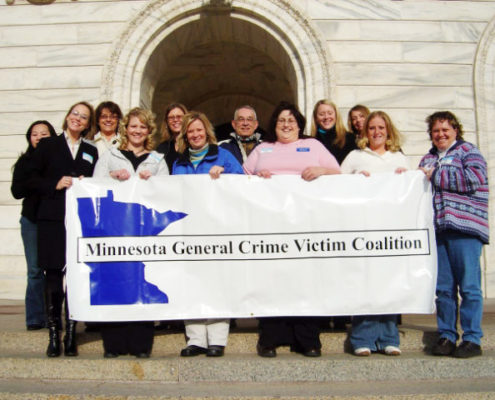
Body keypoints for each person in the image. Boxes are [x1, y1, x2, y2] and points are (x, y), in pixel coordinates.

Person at [243, 101, 341, 358]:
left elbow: (338, 173)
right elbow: (240, 180)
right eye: (280, 121)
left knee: (306, 282)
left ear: (299, 125)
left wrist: (322, 170)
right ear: (274, 126)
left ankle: (307, 339)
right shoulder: (262, 149)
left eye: (291, 121)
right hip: (270, 229)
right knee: (271, 282)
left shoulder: (314, 146)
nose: (286, 125)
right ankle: (270, 338)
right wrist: (256, 178)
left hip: (306, 228)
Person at [94, 107, 168, 358]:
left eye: (143, 127)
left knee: (142, 283)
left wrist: (154, 183)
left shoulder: (157, 159)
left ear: (149, 131)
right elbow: (94, 186)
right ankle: (113, 344)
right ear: (126, 128)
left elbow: (168, 193)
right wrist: (112, 176)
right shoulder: (111, 155)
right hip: (116, 231)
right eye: (133, 126)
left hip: (145, 232)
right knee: (116, 284)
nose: (138, 131)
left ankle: (140, 344)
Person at [29, 101, 98, 357]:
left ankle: (71, 333)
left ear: (88, 124)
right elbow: (31, 179)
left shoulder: (91, 150)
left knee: (77, 277)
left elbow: (95, 182)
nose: (77, 119)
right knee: (54, 275)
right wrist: (54, 183)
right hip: (52, 218)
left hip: (78, 221)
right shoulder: (48, 145)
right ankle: (53, 333)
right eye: (74, 114)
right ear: (67, 116)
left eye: (83, 117)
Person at [173, 111, 243, 357]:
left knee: (217, 283)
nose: (195, 135)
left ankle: (216, 339)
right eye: (190, 131)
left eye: (199, 130)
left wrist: (224, 174)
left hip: (217, 229)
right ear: (185, 135)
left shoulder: (223, 156)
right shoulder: (179, 162)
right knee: (191, 283)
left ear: (207, 132)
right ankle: (195, 339)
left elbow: (244, 184)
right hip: (189, 231)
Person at [419, 111, 488, 358]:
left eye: (445, 130)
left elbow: (475, 178)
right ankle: (447, 335)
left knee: (469, 287)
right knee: (444, 289)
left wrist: (436, 175)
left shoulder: (469, 151)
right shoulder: (427, 158)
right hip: (439, 232)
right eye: (436, 131)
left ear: (455, 130)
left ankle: (472, 339)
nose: (441, 134)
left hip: (466, 229)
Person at [341, 110, 409, 356]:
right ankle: (362, 338)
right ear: (365, 132)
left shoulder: (399, 158)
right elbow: (338, 186)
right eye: (372, 128)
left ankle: (389, 337)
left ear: (388, 130)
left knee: (388, 282)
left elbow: (409, 194)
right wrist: (355, 180)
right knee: (365, 281)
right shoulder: (354, 156)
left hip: (390, 230)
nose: (376, 132)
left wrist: (405, 180)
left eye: (381, 128)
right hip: (362, 229)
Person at [11, 120, 57, 331]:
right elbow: (17, 191)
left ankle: (54, 316)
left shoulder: (58, 159)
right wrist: (44, 184)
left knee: (54, 270)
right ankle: (35, 318)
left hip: (54, 219)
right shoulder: (25, 162)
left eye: (44, 133)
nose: (39, 137)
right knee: (35, 270)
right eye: (34, 134)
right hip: (32, 220)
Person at [310, 99, 357, 165]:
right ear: (316, 118)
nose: (326, 117)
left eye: (330, 113)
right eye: (321, 114)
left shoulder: (350, 139)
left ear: (336, 115)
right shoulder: (311, 142)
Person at [156, 102, 188, 172]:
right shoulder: (162, 148)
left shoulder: (193, 144)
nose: (175, 120)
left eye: (179, 117)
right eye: (171, 118)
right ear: (167, 122)